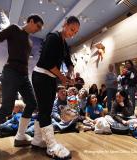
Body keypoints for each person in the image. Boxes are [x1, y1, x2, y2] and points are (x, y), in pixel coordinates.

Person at [0, 14, 44, 158]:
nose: (39, 29)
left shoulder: (30, 42)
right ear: (30, 21)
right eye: (38, 26)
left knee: (32, 103)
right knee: (7, 108)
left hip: (24, 76)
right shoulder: (14, 29)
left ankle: (20, 136)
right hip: (11, 72)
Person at [31, 16, 80, 159]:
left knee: (43, 110)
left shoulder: (64, 44)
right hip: (41, 76)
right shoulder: (53, 37)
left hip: (50, 78)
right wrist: (63, 78)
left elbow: (68, 61)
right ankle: (51, 146)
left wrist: (70, 70)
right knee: (45, 111)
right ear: (65, 25)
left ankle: (37, 140)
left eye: (76, 32)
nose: (73, 33)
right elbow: (47, 62)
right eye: (72, 29)